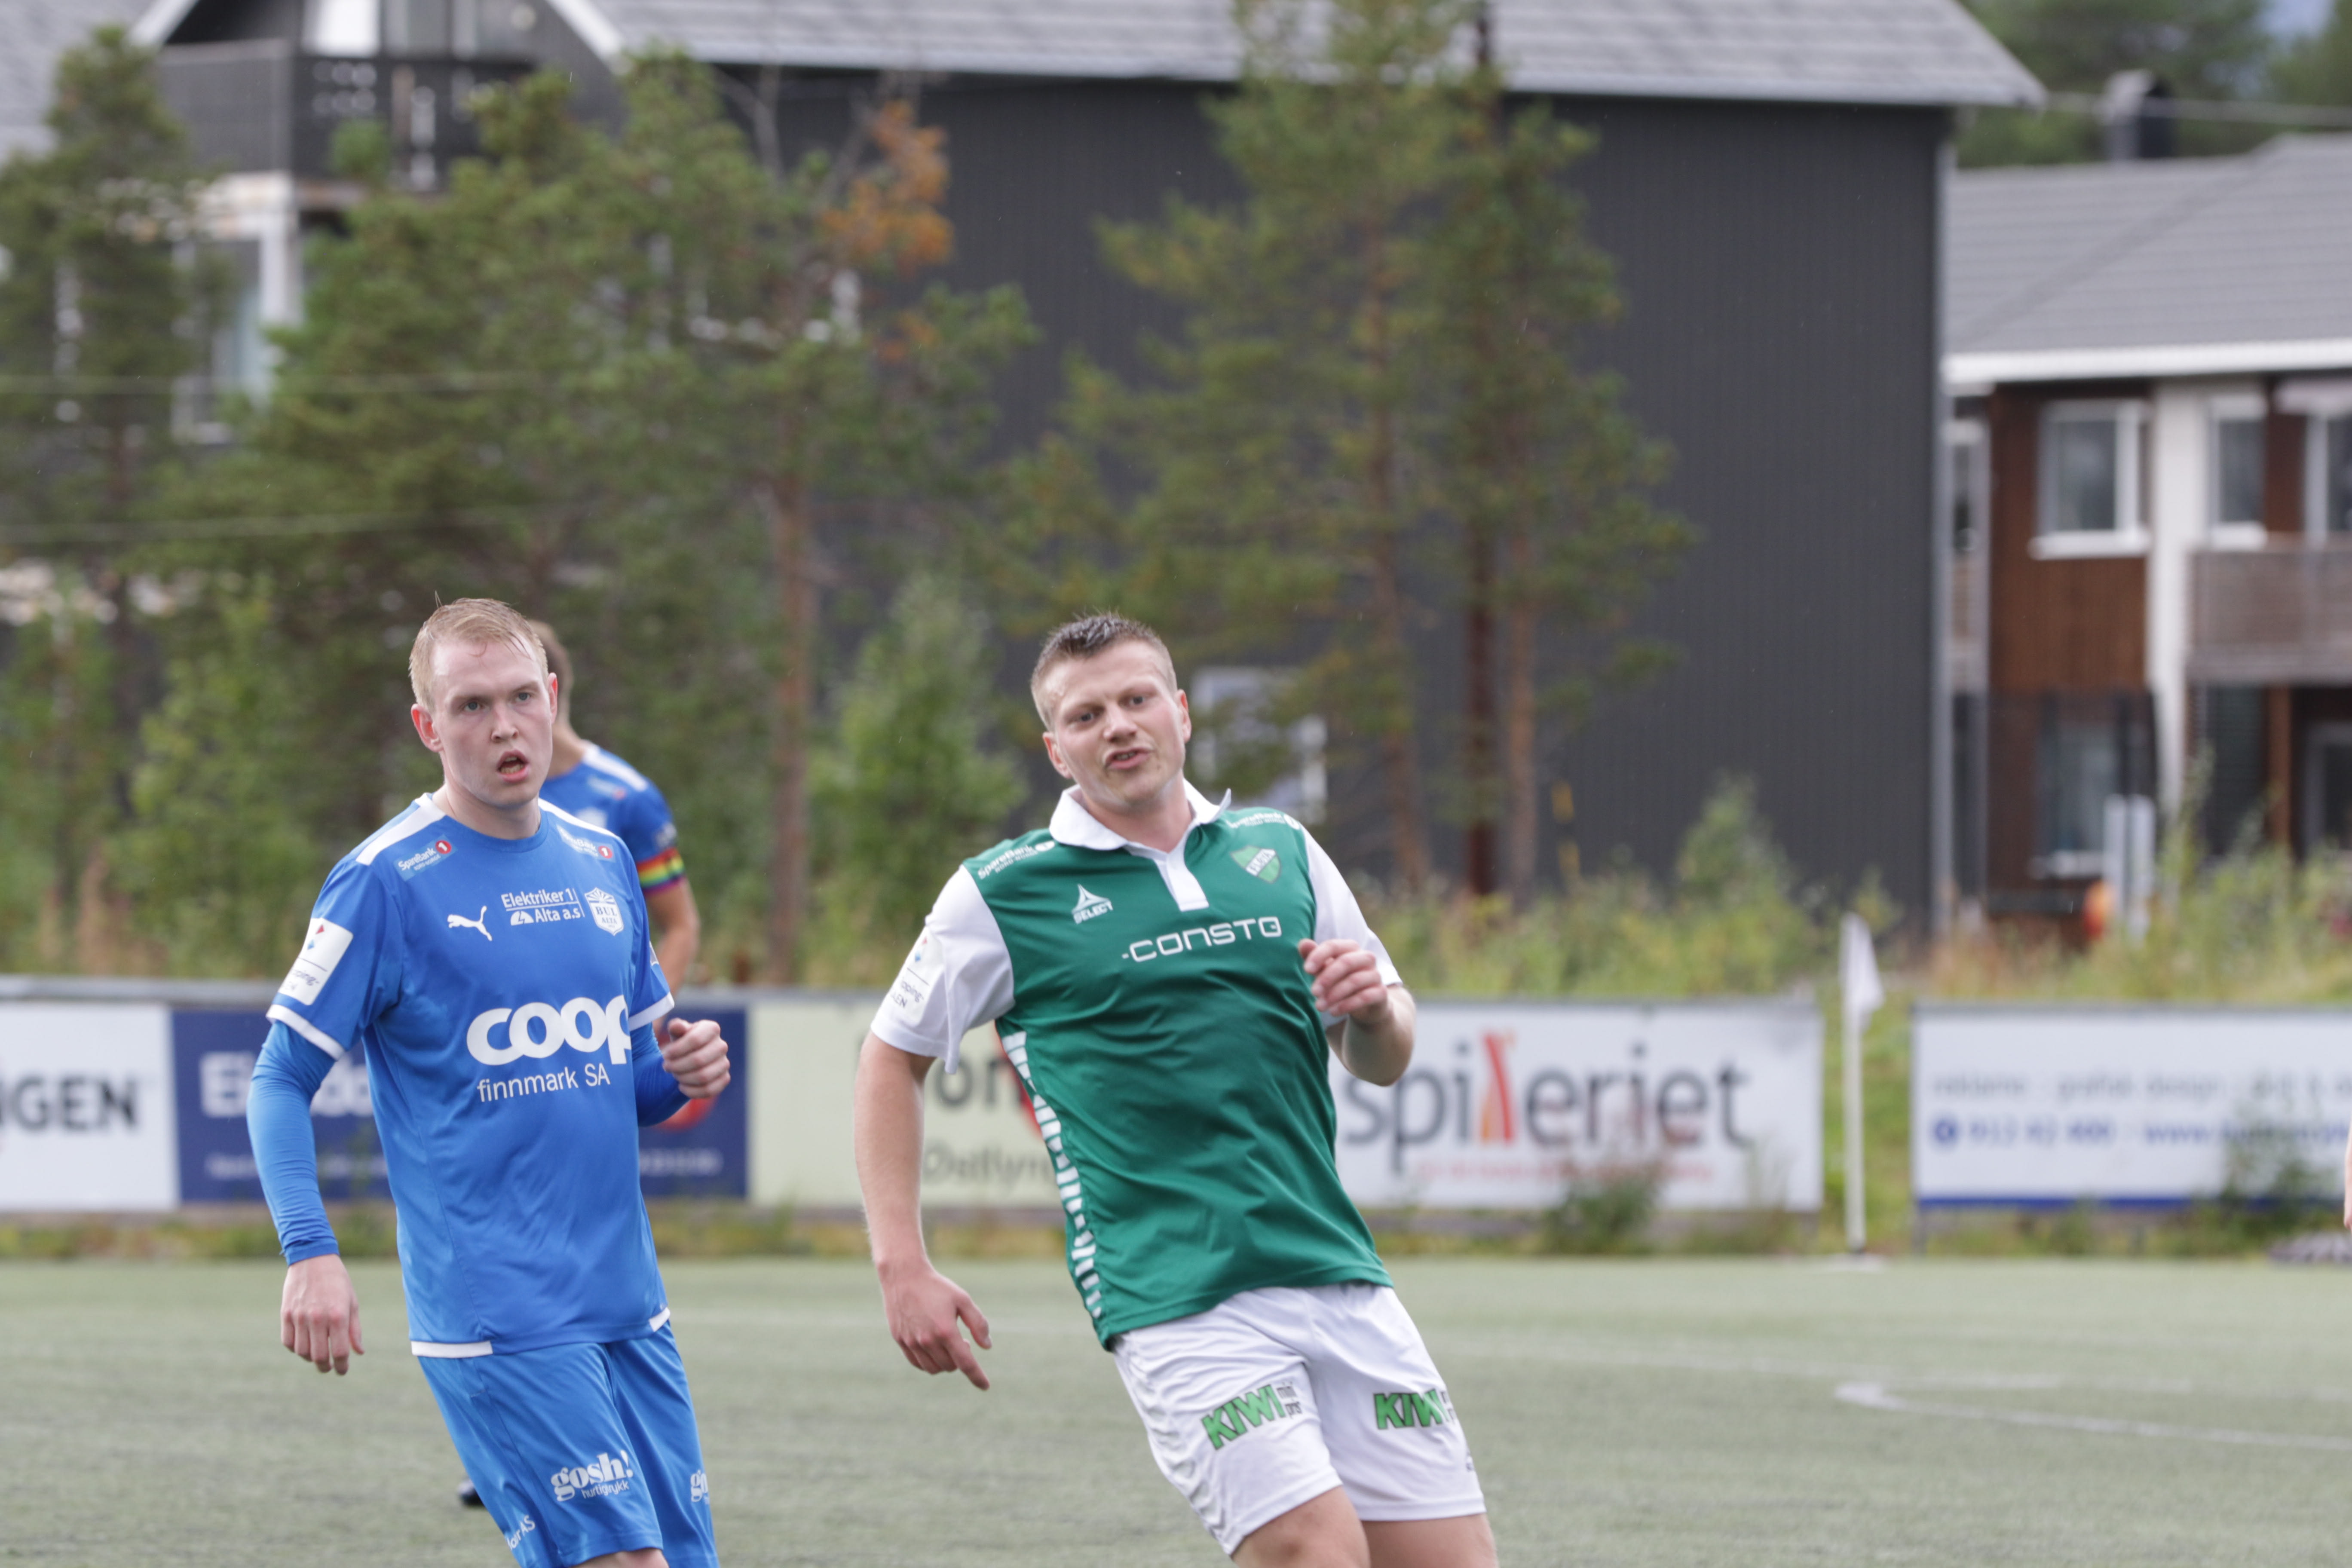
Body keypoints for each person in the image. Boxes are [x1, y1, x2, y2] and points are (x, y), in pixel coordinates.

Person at [853, 613, 1498, 1568]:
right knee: (1315, 1550)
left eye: (1136, 699)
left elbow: (1383, 1054)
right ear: (1056, 750)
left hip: (1335, 1268)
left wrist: (1374, 1009)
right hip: (1176, 1292)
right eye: (1085, 715)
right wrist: (901, 1264)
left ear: (1182, 712)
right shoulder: (1005, 892)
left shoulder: (1281, 849)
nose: (1117, 725)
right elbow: (889, 1057)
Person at [251, 597, 731, 1568]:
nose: (504, 726)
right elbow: (278, 1077)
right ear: (428, 726)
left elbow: (625, 1082)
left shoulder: (604, 861)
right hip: (498, 1308)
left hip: (628, 1299)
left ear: (552, 699)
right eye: (470, 706)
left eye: (519, 697)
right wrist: (309, 1251)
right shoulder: (382, 880)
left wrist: (680, 1073)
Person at [530, 620, 702, 985]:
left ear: (550, 694)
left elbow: (681, 926)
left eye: (519, 695)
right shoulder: (486, 798)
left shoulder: (628, 796)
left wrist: (648, 1013)